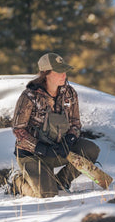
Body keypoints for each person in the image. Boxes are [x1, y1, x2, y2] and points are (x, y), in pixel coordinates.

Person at [11, 53, 100, 197]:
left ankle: (61, 182)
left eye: (64, 70)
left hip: (58, 150)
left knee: (90, 150)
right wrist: (41, 148)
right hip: (32, 155)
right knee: (46, 194)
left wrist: (69, 139)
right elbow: (18, 130)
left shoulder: (70, 93)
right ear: (46, 74)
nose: (64, 75)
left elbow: (75, 123)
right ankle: (17, 182)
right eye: (59, 71)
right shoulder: (29, 96)